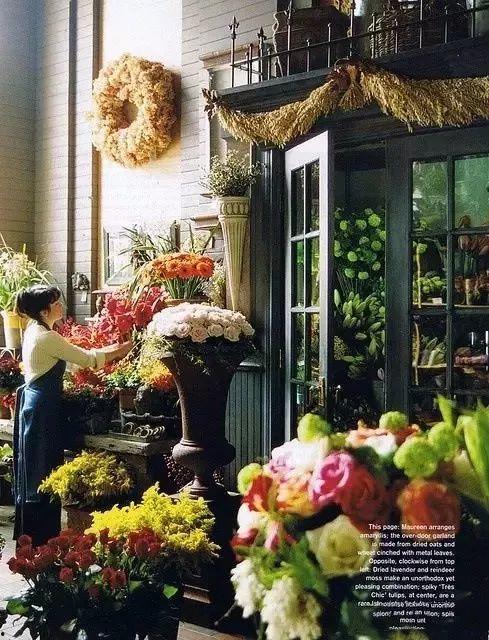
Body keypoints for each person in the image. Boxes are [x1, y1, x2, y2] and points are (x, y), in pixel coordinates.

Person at [13, 284, 132, 545]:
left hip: (36, 404)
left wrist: (113, 346)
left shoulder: (35, 329)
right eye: (55, 303)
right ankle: (42, 540)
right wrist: (124, 348)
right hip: (44, 408)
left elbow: (71, 360)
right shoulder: (46, 337)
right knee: (44, 469)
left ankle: (34, 540)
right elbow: (87, 359)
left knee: (36, 468)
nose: (61, 306)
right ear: (44, 311)